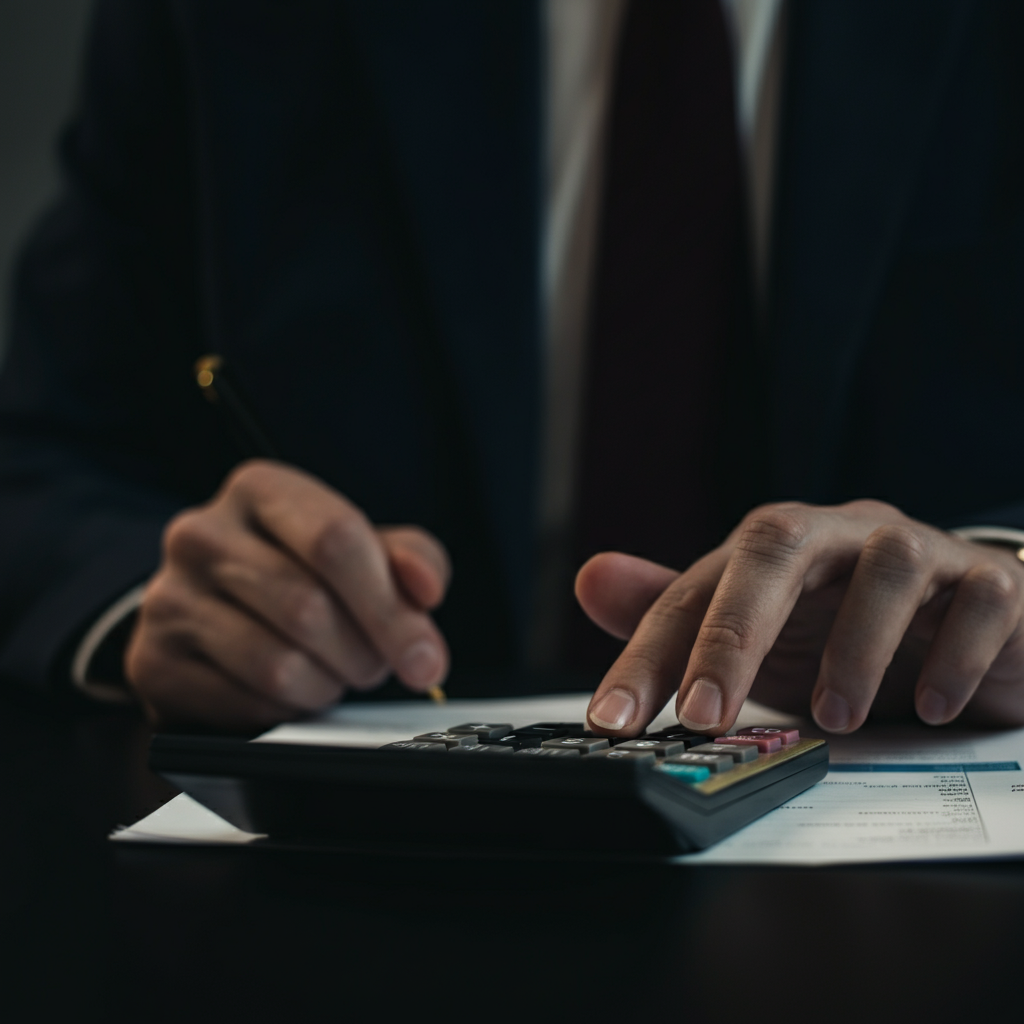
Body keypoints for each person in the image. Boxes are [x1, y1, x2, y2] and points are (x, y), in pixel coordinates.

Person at [2, 0, 1024, 737]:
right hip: (370, 869)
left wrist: (1003, 582)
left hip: (908, 854)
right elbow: (41, 459)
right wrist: (154, 599)